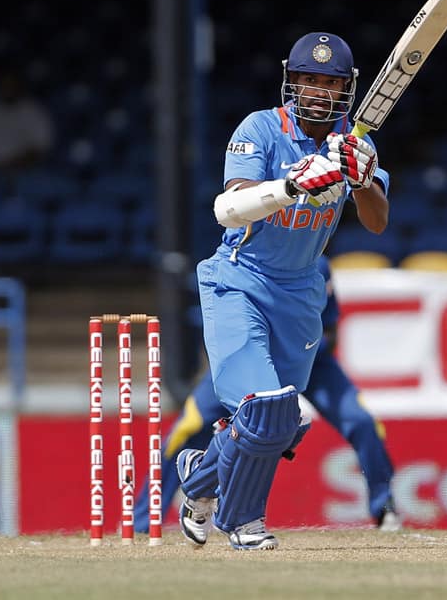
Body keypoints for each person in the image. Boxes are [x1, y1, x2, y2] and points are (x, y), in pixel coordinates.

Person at [175, 31, 390, 551]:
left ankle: (199, 478)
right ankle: (244, 525)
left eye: (331, 82)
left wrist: (360, 179)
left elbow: (378, 222)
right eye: (309, 80)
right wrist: (292, 185)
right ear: (291, 82)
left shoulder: (354, 144)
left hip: (301, 291)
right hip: (239, 278)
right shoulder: (261, 128)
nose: (319, 91)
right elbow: (228, 209)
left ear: (346, 88)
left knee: (282, 424)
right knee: (267, 408)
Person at [134, 255, 400, 535]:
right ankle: (143, 522)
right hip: (249, 361)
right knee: (187, 429)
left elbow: (330, 327)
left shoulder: (317, 266)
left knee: (362, 422)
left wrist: (303, 352)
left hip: (310, 363)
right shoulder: (241, 261)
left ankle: (385, 509)